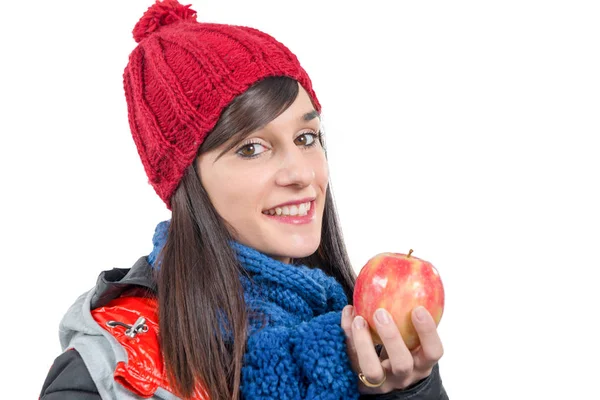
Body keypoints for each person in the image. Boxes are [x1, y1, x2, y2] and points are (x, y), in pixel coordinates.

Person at [39, 1, 448, 399]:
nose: (302, 174)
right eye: (252, 148)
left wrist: (408, 394)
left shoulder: (358, 335)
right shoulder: (108, 372)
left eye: (307, 138)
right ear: (187, 181)